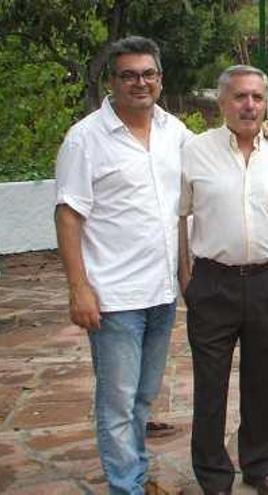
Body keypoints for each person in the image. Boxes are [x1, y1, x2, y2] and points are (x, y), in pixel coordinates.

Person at [54, 36, 191, 495]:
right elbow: (69, 213)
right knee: (116, 403)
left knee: (142, 399)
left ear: (160, 79)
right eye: (128, 75)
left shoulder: (176, 132)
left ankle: (133, 472)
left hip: (162, 291)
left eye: (147, 74)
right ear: (111, 81)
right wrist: (79, 288)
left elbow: (212, 164)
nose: (140, 82)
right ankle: (126, 486)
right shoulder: (86, 138)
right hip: (113, 297)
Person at [178, 65, 268, 495]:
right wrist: (186, 276)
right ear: (222, 102)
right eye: (240, 96)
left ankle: (260, 466)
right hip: (212, 283)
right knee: (211, 384)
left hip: (265, 281)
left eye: (257, 97)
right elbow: (178, 216)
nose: (249, 105)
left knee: (262, 380)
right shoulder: (194, 152)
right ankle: (214, 475)